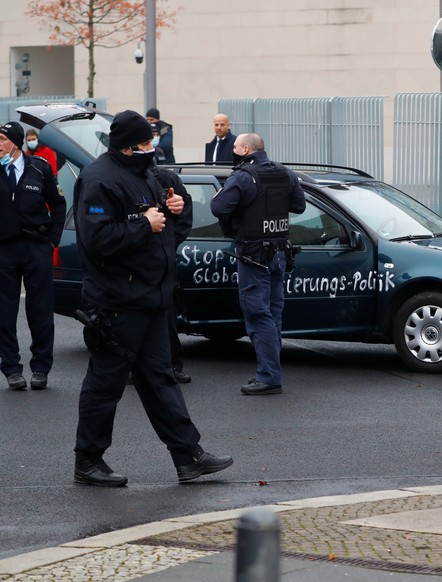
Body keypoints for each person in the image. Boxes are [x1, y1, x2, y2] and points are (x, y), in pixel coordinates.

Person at [72, 110, 231, 486]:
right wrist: (145, 223)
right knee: (105, 384)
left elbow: (161, 221)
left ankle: (188, 456)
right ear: (127, 148)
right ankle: (88, 461)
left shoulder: (143, 173)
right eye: (145, 144)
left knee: (160, 379)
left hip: (151, 298)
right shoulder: (98, 180)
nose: (151, 148)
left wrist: (171, 211)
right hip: (117, 303)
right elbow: (96, 240)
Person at [210, 133, 305, 395]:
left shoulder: (243, 176)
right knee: (272, 314)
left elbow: (218, 207)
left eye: (236, 147)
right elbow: (299, 206)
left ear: (246, 149)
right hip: (278, 254)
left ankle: (269, 376)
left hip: (253, 255)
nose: (233, 150)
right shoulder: (284, 172)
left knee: (257, 314)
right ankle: (270, 373)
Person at [0, 121, 66, 391]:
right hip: (4, 250)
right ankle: (12, 369)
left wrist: (53, 239)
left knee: (40, 309)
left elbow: (59, 204)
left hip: (36, 247)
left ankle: (40, 367)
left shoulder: (40, 167)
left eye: (2, 139)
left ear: (14, 143)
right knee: (4, 311)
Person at [151, 161, 193, 384]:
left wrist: (168, 244)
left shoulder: (167, 179)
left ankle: (173, 366)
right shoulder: (122, 179)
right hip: (132, 262)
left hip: (163, 261)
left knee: (167, 316)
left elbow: (185, 213)